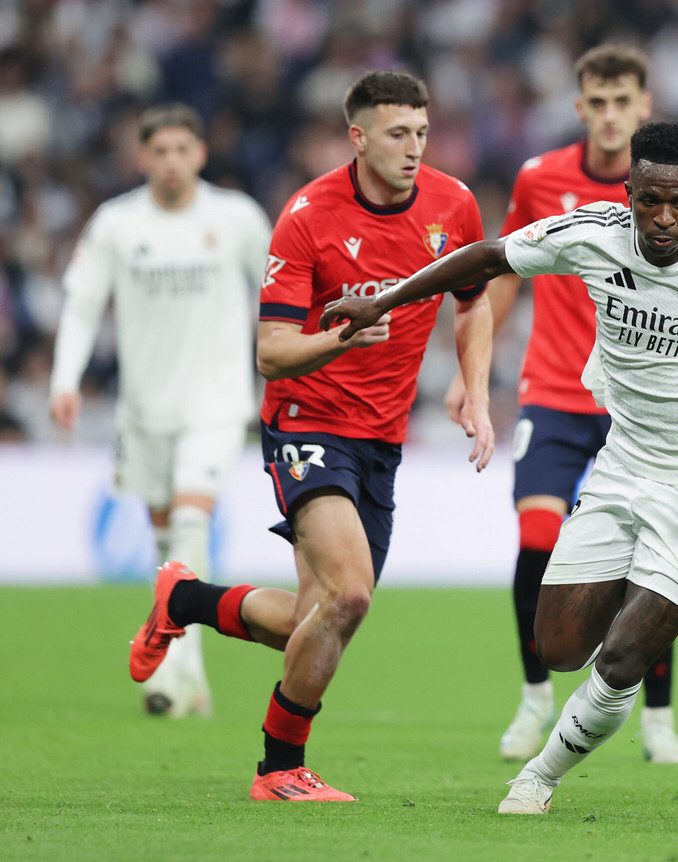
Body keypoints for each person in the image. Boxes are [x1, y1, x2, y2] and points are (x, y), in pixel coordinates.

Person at [319, 119, 678, 815]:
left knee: (624, 657)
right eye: (650, 201)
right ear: (628, 190)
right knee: (558, 647)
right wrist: (383, 299)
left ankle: (535, 780)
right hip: (620, 467)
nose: (665, 219)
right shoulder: (589, 233)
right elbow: (485, 258)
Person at [127, 70, 495, 801]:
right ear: (357, 137)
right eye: (397, 134)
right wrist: (343, 339)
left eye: (422, 132)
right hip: (307, 421)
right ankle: (279, 768)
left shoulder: (453, 205)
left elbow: (474, 301)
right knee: (350, 597)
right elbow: (271, 349)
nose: (414, 148)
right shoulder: (307, 216)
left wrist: (474, 388)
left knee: (315, 617)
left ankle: (186, 600)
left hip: (382, 439)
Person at [445, 45, 678, 763]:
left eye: (624, 101)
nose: (611, 114)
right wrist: (472, 369)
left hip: (641, 402)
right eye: (599, 101)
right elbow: (505, 274)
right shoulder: (539, 177)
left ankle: (658, 719)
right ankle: (534, 702)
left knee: (654, 558)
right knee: (535, 544)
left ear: (643, 107)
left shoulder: (669, 193)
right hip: (555, 392)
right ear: (581, 105)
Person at [49, 103, 272, 718]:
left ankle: (172, 676)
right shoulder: (115, 225)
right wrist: (65, 378)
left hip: (218, 400)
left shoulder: (236, 218)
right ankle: (192, 675)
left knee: (190, 521)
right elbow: (82, 303)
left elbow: (279, 295)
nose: (171, 161)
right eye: (159, 151)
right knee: (167, 548)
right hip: (144, 408)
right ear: (141, 157)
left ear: (200, 154)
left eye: (182, 149)